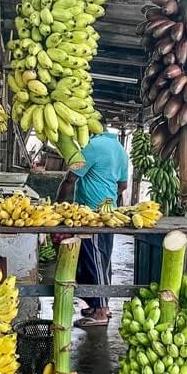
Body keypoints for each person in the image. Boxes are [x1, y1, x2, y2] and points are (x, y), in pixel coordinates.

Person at [56, 125, 129, 327]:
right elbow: (122, 186)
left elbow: (70, 178)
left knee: (94, 260)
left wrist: (57, 205)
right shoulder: (120, 149)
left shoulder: (92, 146)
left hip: (92, 215)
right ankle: (101, 303)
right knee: (103, 260)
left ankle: (100, 312)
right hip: (109, 213)